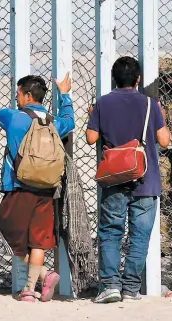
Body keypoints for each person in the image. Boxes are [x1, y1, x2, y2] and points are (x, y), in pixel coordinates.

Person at [0, 72, 74, 302]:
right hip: (47, 189)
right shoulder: (54, 122)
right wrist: (64, 94)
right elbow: (70, 121)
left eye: (18, 94)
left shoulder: (14, 117)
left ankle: (44, 275)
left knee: (7, 225)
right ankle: (29, 288)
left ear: (27, 96)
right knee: (38, 240)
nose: (16, 98)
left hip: (19, 186)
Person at [86, 56, 170, 303]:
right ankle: (131, 288)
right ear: (138, 79)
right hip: (146, 179)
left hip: (114, 179)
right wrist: (161, 118)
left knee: (111, 232)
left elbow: (91, 138)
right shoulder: (149, 104)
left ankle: (110, 285)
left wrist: (94, 117)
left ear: (114, 79)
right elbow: (164, 140)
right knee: (139, 235)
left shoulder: (102, 104)